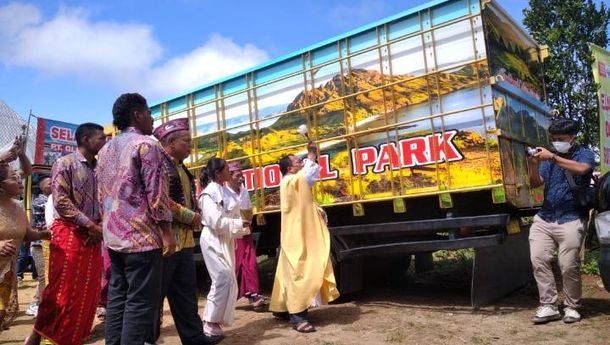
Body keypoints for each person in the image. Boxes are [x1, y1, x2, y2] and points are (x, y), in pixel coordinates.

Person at [97, 93, 176, 345]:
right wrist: (166, 232)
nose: (153, 119)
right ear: (137, 115)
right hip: (141, 238)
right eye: (150, 113)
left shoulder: (107, 148)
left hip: (114, 237)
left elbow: (102, 193)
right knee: (141, 302)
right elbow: (157, 194)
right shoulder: (147, 145)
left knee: (119, 296)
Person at [25, 123, 107, 345]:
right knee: (62, 289)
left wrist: (97, 228)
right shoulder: (65, 163)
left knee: (87, 291)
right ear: (86, 139)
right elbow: (61, 201)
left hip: (93, 235)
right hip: (69, 233)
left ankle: (73, 337)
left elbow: (104, 201)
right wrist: (90, 225)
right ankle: (41, 334)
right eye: (101, 138)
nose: (104, 141)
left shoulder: (99, 168)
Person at [153, 118, 222, 344]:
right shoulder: (159, 165)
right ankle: (147, 339)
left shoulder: (180, 166)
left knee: (186, 295)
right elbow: (161, 201)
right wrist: (192, 216)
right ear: (170, 143)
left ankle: (194, 339)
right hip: (165, 240)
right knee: (154, 299)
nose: (190, 145)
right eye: (186, 141)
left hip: (184, 241)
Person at [528, 118, 595, 324]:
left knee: (568, 265)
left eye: (561, 139)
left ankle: (572, 306)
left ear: (573, 137)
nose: (557, 142)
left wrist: (553, 157)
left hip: (572, 217)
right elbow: (535, 183)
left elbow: (583, 169)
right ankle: (548, 305)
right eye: (554, 139)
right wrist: (534, 164)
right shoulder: (548, 158)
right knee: (538, 259)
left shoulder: (584, 154)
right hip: (545, 217)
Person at [269, 141, 340, 333]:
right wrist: (310, 154)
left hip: (297, 231)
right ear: (289, 168)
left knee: (291, 270)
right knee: (300, 270)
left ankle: (283, 307)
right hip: (297, 234)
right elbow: (308, 176)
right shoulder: (291, 181)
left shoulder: (291, 182)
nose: (300, 161)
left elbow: (304, 201)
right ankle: (298, 317)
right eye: (296, 161)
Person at [199, 158, 250, 337]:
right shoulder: (208, 194)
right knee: (221, 277)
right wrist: (238, 224)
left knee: (228, 279)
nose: (230, 171)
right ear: (219, 173)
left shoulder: (225, 191)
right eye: (227, 169)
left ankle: (215, 320)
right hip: (213, 240)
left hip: (225, 240)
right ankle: (209, 320)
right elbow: (216, 222)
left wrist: (241, 225)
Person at [0, 162, 50, 333]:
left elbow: (27, 233)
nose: (20, 181)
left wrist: (43, 234)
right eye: (13, 178)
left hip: (6, 274)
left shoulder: (17, 207)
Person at [225, 161, 268, 311]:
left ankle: (254, 294)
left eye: (242, 176)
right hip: (232, 233)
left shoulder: (243, 190)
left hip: (245, 231)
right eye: (238, 176)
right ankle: (229, 296)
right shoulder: (223, 192)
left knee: (250, 262)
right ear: (229, 176)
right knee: (235, 264)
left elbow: (248, 209)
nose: (241, 179)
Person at [25, 176, 52, 317]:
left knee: (47, 276)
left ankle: (38, 302)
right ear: (41, 186)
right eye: (49, 183)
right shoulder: (39, 201)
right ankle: (36, 304)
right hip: (39, 245)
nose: (53, 184)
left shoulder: (53, 199)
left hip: (50, 244)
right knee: (43, 276)